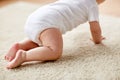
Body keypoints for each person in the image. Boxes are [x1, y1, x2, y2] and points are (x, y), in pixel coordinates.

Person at [4, 0, 105, 69]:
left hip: (35, 17)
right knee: (54, 50)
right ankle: (24, 55)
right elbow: (95, 29)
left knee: (41, 40)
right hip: (48, 23)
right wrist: (97, 40)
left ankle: (20, 45)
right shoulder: (92, 5)